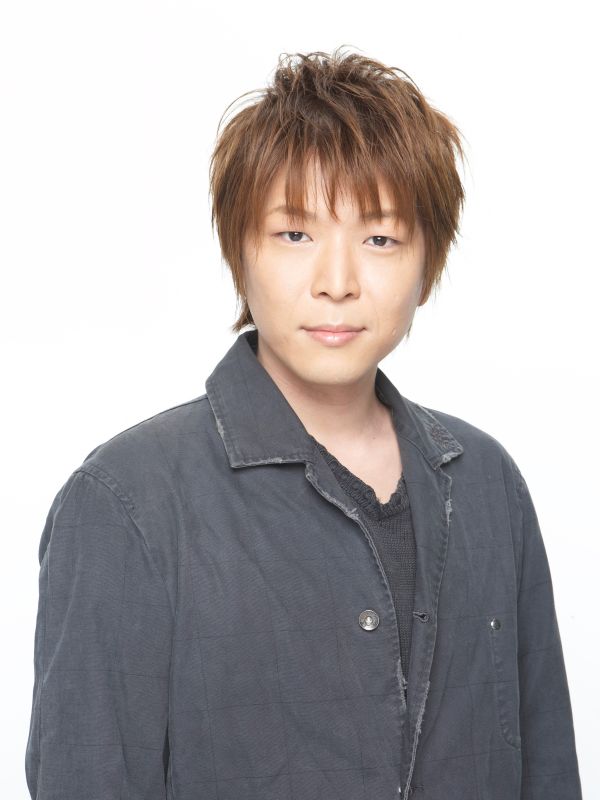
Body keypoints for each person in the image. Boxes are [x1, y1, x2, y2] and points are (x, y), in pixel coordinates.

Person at [25, 47, 582, 800]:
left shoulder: (487, 482)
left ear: (429, 264)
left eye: (380, 238)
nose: (337, 282)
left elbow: (547, 768)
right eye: (294, 234)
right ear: (239, 253)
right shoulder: (127, 503)